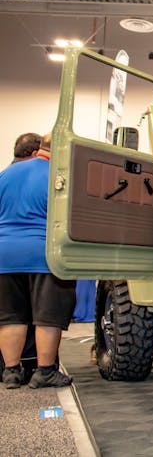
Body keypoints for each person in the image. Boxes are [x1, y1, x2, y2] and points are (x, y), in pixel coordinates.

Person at [0, 133, 76, 389]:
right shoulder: (59, 178)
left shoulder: (6, 174)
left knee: (11, 317)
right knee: (48, 317)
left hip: (4, 255)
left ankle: (11, 372)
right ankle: (45, 372)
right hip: (43, 255)